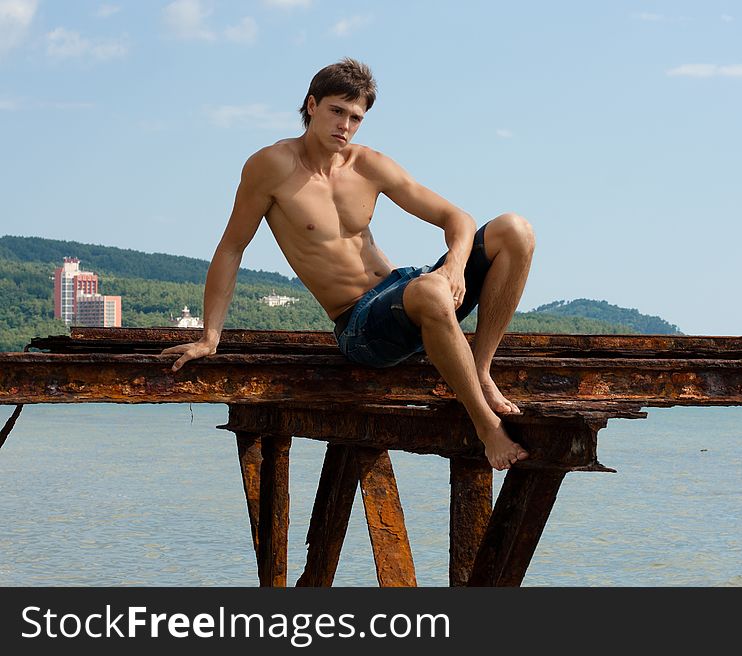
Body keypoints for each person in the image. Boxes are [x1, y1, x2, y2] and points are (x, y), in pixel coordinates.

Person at [161, 58, 534, 470]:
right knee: (429, 290)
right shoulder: (271, 167)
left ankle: (481, 370)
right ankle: (485, 424)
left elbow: (456, 219)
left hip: (405, 290)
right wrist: (210, 335)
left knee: (514, 231)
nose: (345, 125)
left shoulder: (366, 164)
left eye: (355, 117)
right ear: (312, 105)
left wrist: (456, 265)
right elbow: (232, 247)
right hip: (360, 325)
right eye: (337, 111)